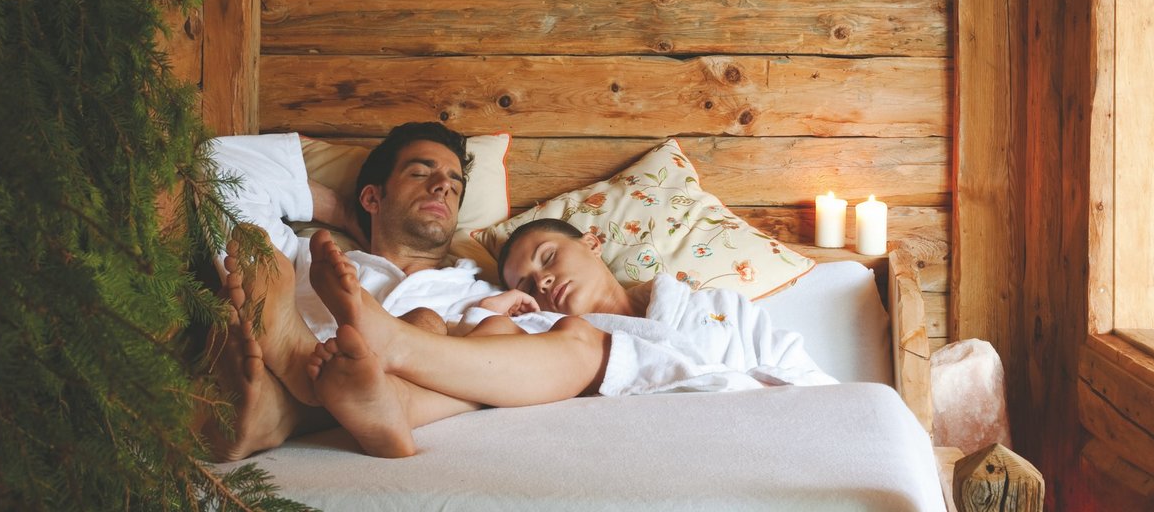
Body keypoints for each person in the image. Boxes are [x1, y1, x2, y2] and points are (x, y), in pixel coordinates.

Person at [298, 218, 834, 457]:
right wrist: (493, 309)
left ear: (595, 245)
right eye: (528, 282)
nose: (543, 281)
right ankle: (396, 405)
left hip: (714, 408)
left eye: (548, 259)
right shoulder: (531, 323)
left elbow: (821, 393)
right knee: (483, 331)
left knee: (573, 335)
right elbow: (475, 369)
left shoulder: (715, 308)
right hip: (575, 395)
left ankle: (393, 351)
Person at [199, 123, 515, 459]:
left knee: (428, 322)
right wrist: (343, 212)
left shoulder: (486, 294)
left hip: (380, 388)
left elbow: (531, 360)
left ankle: (278, 405)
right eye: (421, 173)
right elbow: (215, 164)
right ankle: (266, 407)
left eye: (455, 184)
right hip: (271, 347)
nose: (442, 187)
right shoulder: (308, 260)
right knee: (253, 261)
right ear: (371, 197)